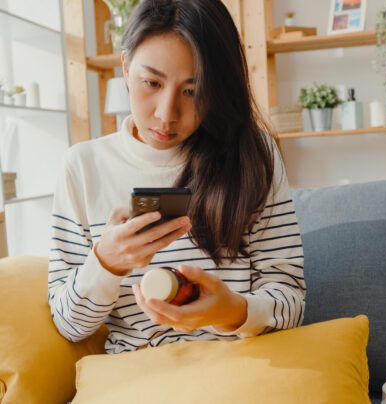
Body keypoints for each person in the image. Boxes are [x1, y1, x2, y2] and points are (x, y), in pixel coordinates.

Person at [48, 0, 306, 354]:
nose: (166, 114)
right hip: (137, 378)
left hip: (240, 370)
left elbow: (291, 299)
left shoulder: (253, 155)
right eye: (151, 82)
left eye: (192, 90)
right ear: (125, 66)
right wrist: (106, 261)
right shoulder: (82, 167)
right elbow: (68, 325)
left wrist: (230, 310)